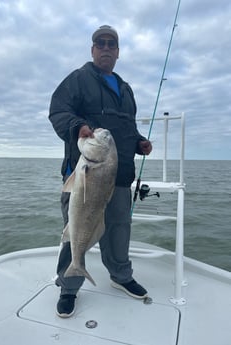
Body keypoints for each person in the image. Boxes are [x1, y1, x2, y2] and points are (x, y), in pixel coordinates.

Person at [49, 25, 152, 318]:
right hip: (85, 174)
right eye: (100, 43)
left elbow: (126, 128)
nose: (106, 48)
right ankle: (68, 287)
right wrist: (76, 127)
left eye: (111, 44)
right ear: (92, 49)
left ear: (117, 52)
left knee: (119, 228)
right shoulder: (79, 79)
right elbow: (58, 111)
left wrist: (139, 142)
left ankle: (120, 275)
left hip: (117, 176)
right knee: (77, 229)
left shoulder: (126, 89)